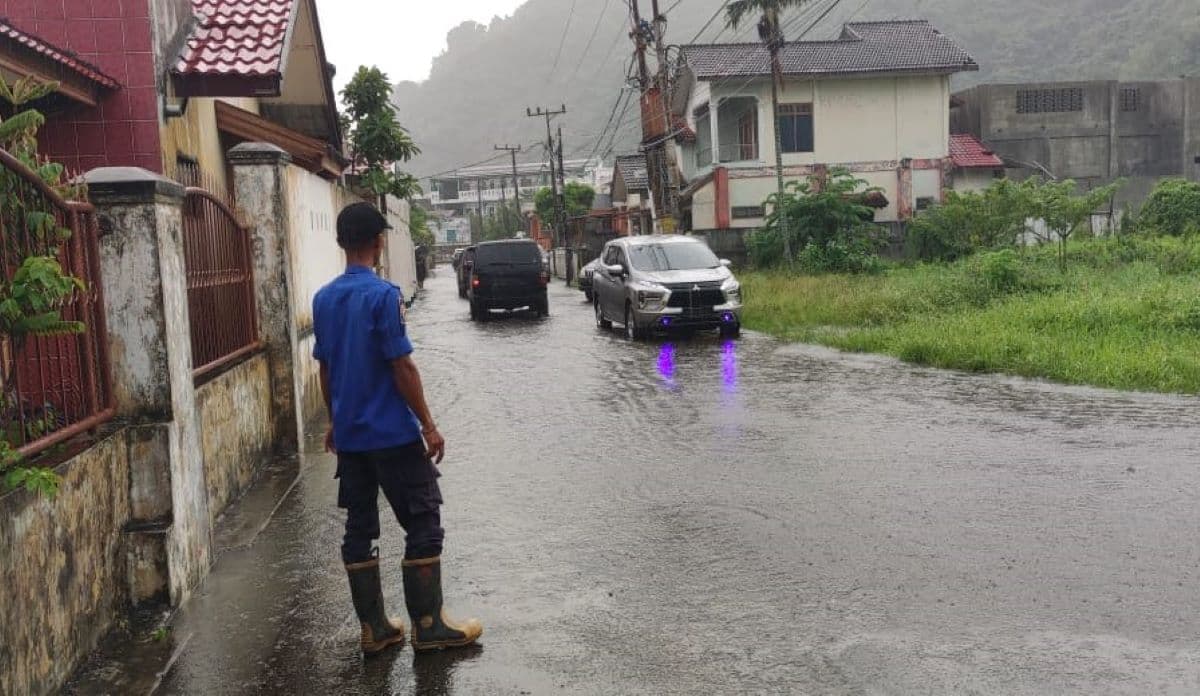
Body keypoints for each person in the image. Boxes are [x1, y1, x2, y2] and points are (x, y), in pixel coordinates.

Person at [312, 202, 483, 655]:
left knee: (360, 527)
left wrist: (335, 421)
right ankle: (428, 625)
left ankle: (375, 630)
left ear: (341, 242)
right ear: (378, 241)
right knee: (423, 518)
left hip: (351, 438)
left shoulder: (324, 298)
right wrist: (428, 424)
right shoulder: (384, 296)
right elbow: (401, 366)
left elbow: (325, 370)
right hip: (392, 434)